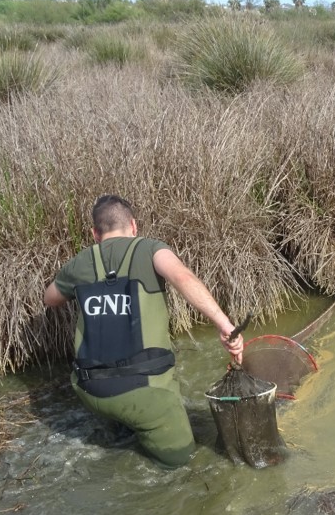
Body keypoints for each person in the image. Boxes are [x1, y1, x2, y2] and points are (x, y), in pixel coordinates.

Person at [43, 195, 243, 467]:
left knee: (125, 416)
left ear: (95, 233)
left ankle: (123, 426)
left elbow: (50, 298)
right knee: (185, 463)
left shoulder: (78, 263)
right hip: (144, 394)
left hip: (88, 389)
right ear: (134, 226)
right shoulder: (150, 249)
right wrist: (225, 325)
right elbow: (182, 277)